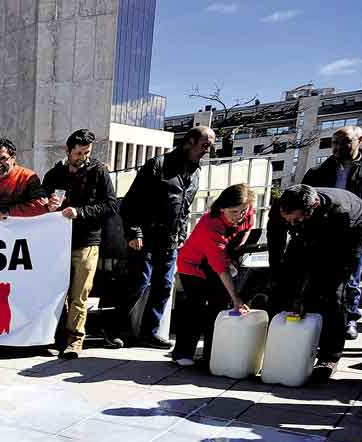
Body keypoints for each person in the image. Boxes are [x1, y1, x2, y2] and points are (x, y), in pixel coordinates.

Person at [109, 125, 215, 349]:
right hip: (146, 237)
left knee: (164, 286)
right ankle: (115, 329)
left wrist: (182, 235)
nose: (208, 150)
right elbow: (130, 203)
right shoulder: (158, 165)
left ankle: (150, 332)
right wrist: (134, 232)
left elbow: (184, 208)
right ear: (189, 142)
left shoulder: (195, 172)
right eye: (205, 145)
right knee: (137, 284)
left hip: (171, 240)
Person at [300, 125, 362, 340]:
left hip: (356, 232)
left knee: (351, 277)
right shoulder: (320, 170)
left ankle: (349, 318)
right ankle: (323, 315)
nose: (338, 147)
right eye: (334, 143)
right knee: (321, 275)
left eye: (345, 142)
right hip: (326, 232)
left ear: (361, 140)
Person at [273, 185, 362, 381]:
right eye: (288, 220)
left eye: (296, 219)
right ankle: (283, 345)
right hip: (309, 234)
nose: (291, 223)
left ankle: (329, 356)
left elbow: (323, 262)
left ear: (314, 206)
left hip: (346, 241)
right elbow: (276, 235)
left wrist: (306, 294)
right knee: (285, 284)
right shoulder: (284, 205)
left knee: (332, 295)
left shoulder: (341, 214)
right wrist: (277, 267)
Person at [42, 128, 119, 359]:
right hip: (58, 243)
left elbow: (111, 205)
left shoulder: (99, 172)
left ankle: (75, 341)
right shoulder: (54, 174)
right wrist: (48, 205)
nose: (83, 157)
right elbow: (40, 203)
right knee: (58, 293)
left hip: (86, 242)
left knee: (79, 295)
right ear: (68, 151)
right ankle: (57, 338)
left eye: (87, 152)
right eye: (79, 153)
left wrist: (80, 212)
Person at [171, 184, 255, 367]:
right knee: (196, 307)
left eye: (243, 211)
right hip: (193, 265)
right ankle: (182, 353)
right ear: (221, 208)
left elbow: (249, 225)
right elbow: (221, 269)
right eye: (233, 212)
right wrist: (236, 298)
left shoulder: (247, 213)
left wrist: (237, 246)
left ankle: (211, 354)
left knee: (218, 308)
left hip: (219, 261)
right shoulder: (210, 226)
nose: (239, 216)